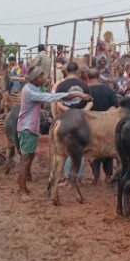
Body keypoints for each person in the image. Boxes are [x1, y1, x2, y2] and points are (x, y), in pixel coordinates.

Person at [16, 67, 89, 196]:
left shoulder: (32, 88)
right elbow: (52, 96)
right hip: (28, 127)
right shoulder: (30, 91)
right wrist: (78, 94)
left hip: (29, 126)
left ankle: (23, 186)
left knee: (28, 157)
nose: (43, 79)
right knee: (25, 159)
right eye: (40, 77)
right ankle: (22, 190)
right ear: (33, 78)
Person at [54, 62, 91, 185]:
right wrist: (81, 113)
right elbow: (91, 102)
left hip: (65, 119)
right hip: (81, 120)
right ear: (77, 71)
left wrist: (69, 112)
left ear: (66, 71)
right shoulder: (83, 84)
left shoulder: (60, 85)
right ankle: (78, 178)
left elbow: (58, 103)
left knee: (66, 149)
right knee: (79, 148)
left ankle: (67, 178)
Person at [87, 68, 119, 184]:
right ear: (99, 76)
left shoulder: (86, 91)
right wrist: (105, 115)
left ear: (88, 78)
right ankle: (108, 176)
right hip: (107, 124)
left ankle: (96, 177)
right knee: (107, 149)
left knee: (93, 149)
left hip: (92, 124)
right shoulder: (108, 90)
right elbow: (115, 105)